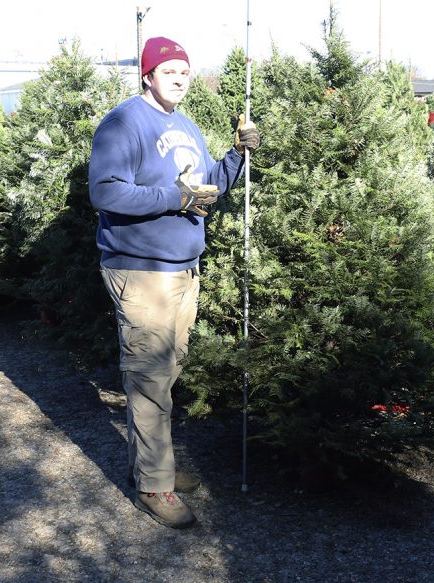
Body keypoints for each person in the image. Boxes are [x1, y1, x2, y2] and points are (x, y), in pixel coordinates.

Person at [88, 36, 259, 529]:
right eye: (170, 71)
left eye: (185, 70)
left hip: (184, 269)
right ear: (148, 75)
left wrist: (236, 156)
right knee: (149, 379)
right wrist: (175, 199)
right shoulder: (124, 122)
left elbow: (209, 184)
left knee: (167, 373)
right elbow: (105, 191)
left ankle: (152, 464)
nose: (180, 77)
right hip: (141, 270)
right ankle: (153, 487)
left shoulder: (186, 125)